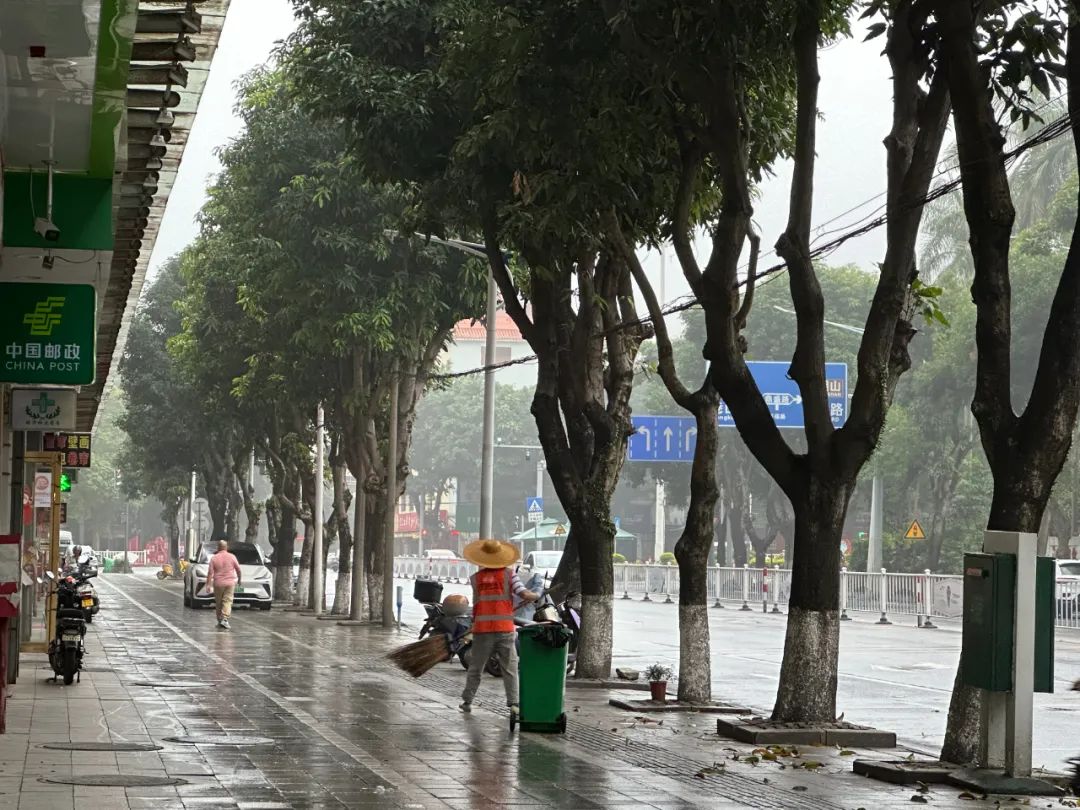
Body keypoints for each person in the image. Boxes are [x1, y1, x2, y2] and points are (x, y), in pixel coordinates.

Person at [459, 539, 539, 717]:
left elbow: (477, 605)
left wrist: (473, 625)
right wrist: (537, 594)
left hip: (482, 630)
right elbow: (525, 594)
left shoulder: (476, 579)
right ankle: (514, 704)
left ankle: (467, 701)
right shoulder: (510, 576)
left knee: (476, 668)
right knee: (510, 668)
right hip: (504, 629)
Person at [205, 538, 242, 630]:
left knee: (219, 602)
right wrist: (239, 580)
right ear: (226, 547)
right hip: (230, 583)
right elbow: (238, 570)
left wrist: (208, 585)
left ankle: (219, 620)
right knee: (227, 601)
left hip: (218, 583)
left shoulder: (214, 558)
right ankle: (224, 618)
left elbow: (210, 573)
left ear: (218, 548)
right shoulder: (232, 557)